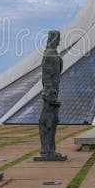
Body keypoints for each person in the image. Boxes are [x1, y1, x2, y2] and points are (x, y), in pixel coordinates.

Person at [36, 30, 66, 161]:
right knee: (47, 122)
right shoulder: (49, 55)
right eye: (57, 38)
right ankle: (45, 150)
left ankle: (51, 149)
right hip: (50, 96)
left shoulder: (55, 55)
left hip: (54, 94)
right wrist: (50, 93)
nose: (59, 41)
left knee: (53, 122)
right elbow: (46, 77)